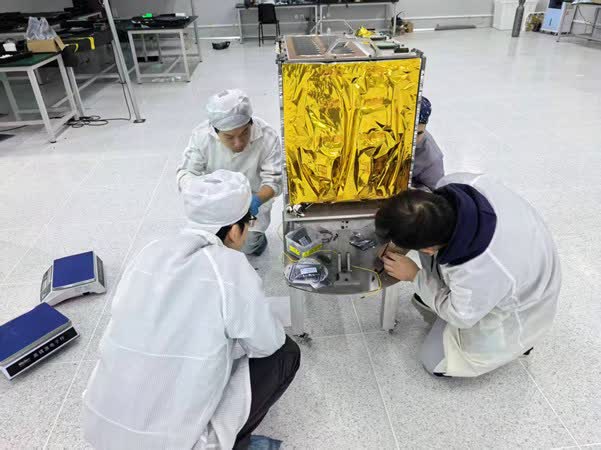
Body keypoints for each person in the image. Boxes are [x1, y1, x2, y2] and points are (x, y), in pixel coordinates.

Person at [82, 170, 300, 450]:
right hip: (177, 445)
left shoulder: (150, 250)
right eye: (249, 223)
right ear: (235, 230)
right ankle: (234, 443)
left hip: (101, 430)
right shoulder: (229, 266)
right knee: (285, 354)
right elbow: (267, 343)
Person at [375, 173, 561, 378]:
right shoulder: (459, 185)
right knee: (435, 292)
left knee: (434, 361)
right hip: (524, 256)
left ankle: (519, 346)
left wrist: (415, 276)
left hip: (520, 307)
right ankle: (439, 298)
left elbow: (461, 316)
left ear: (428, 249)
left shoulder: (481, 269)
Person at [176, 89, 282, 257]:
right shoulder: (201, 136)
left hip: (252, 202)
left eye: (244, 133)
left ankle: (257, 239)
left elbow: (274, 180)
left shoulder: (267, 136)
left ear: (250, 123)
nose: (238, 143)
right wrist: (203, 194)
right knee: (209, 245)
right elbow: (186, 173)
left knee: (247, 246)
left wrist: (255, 201)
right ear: (215, 131)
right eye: (229, 137)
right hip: (214, 203)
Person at [412, 97, 445, 191]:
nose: (413, 140)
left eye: (418, 133)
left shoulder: (431, 158)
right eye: (407, 133)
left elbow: (435, 192)